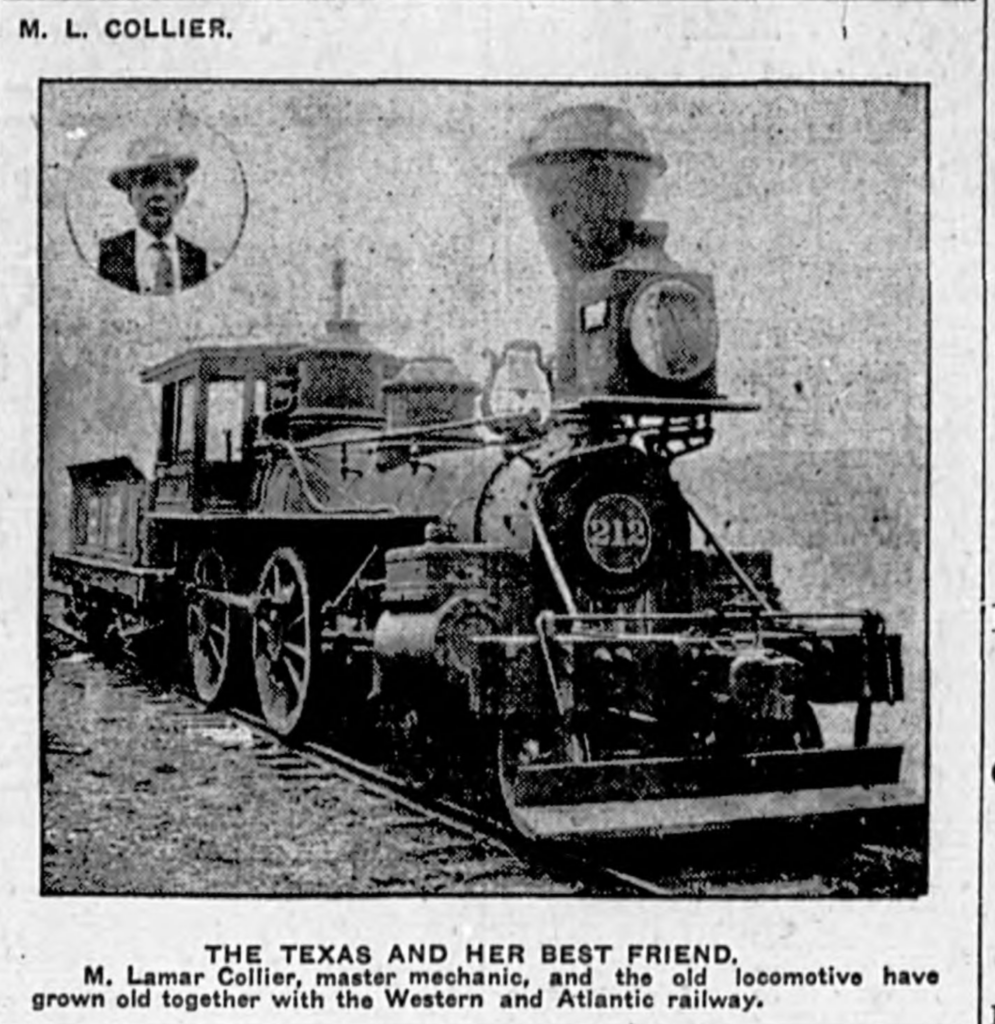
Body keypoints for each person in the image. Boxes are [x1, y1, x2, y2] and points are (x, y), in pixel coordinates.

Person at [99, 136, 209, 294]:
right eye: (147, 182)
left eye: (169, 183)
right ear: (131, 196)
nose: (158, 193)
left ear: (182, 195)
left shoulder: (197, 259)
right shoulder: (109, 255)